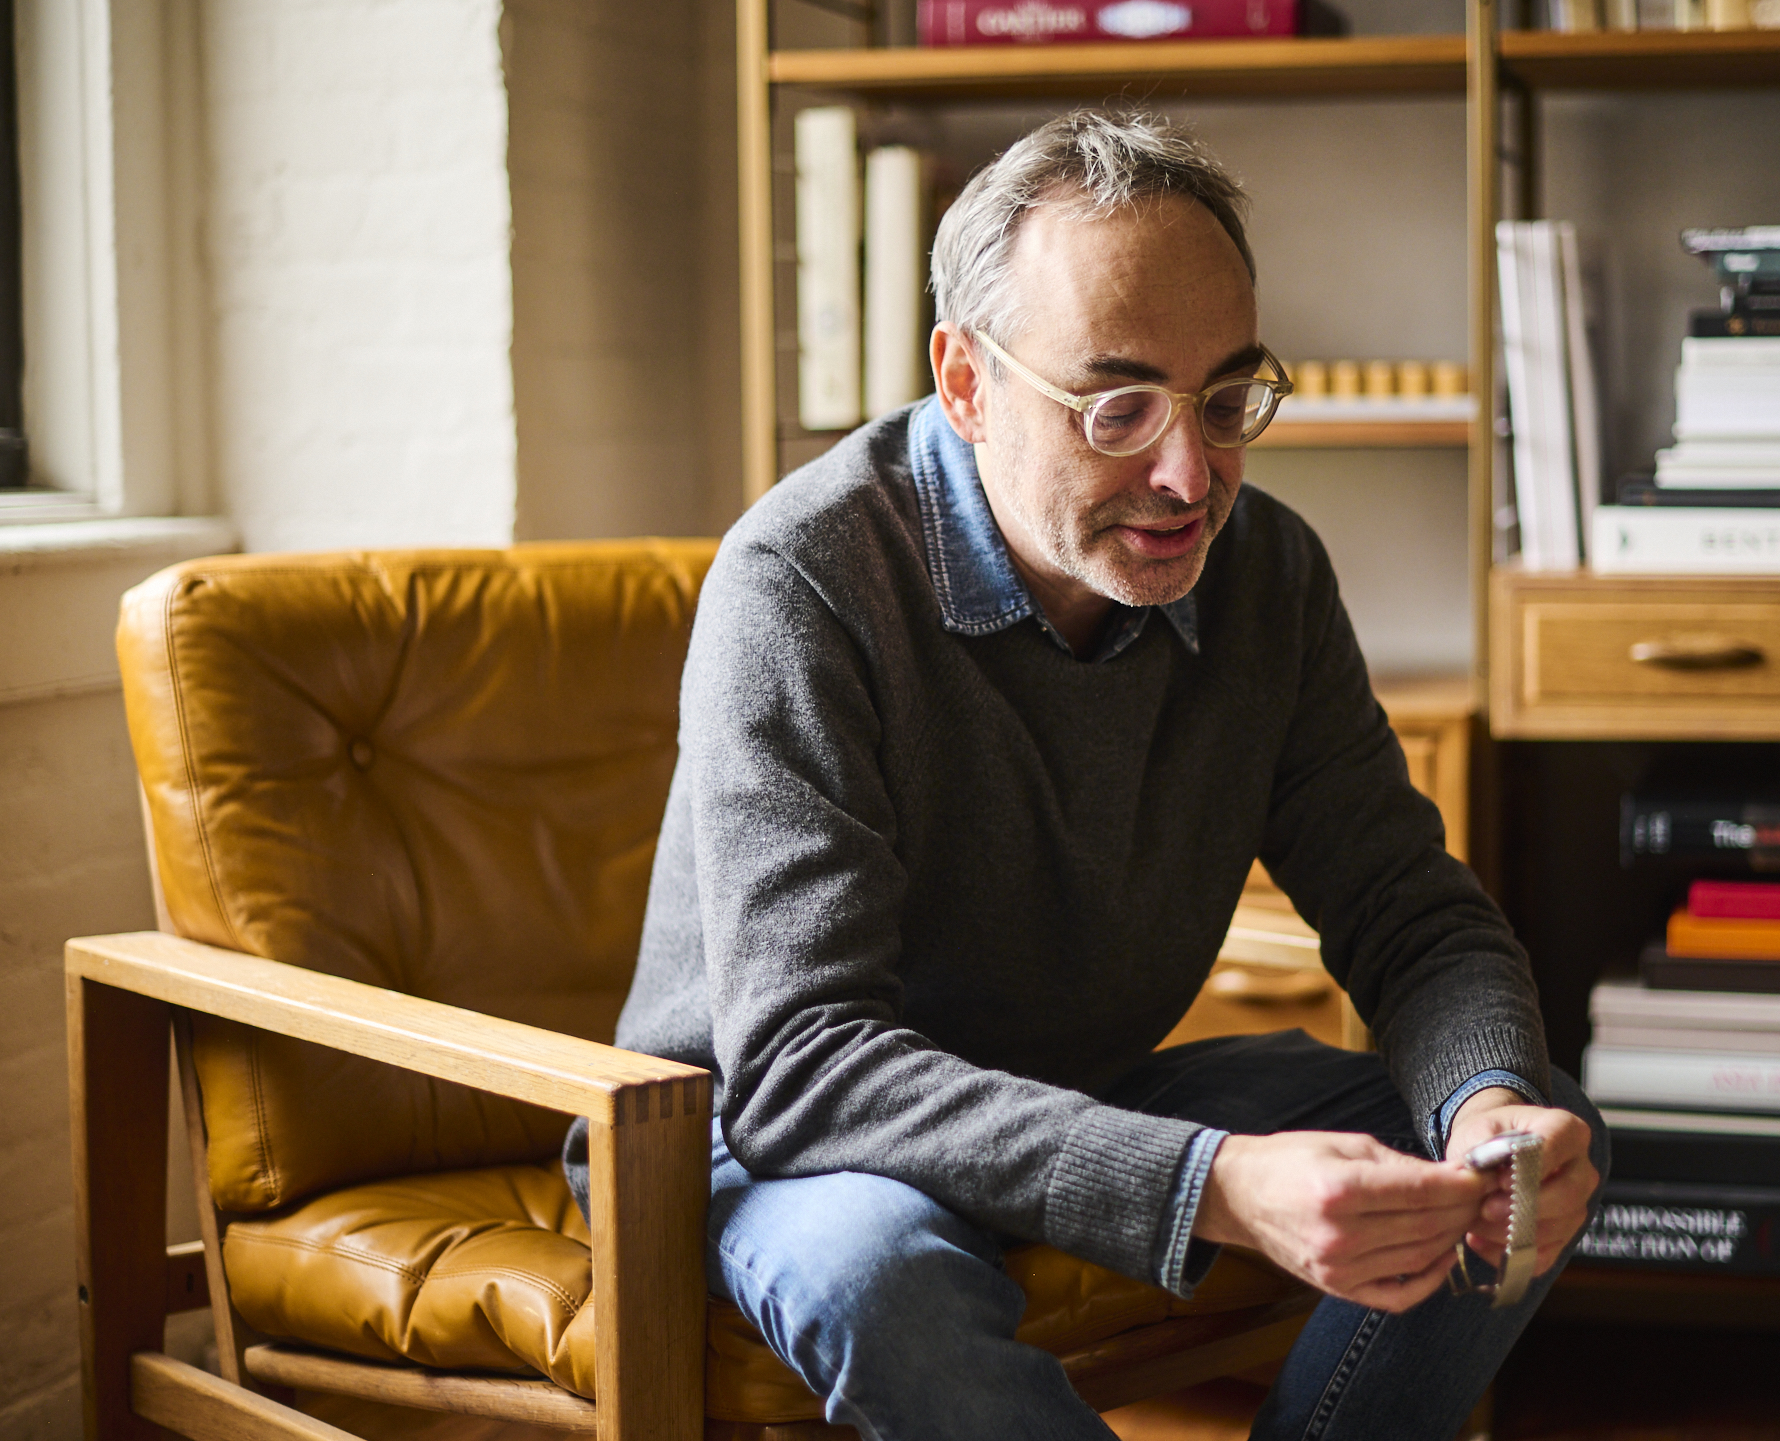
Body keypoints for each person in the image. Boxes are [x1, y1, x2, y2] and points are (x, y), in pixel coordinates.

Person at [567, 108, 1604, 1440]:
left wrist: (1490, 1111)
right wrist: (1215, 1181)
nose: (1190, 475)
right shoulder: (805, 582)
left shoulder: (1267, 575)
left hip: (1079, 1093)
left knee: (1538, 1138)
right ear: (965, 381)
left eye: (1228, 400)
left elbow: (1406, 906)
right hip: (773, 1137)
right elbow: (801, 1065)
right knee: (882, 1276)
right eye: (1118, 406)